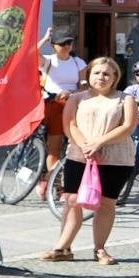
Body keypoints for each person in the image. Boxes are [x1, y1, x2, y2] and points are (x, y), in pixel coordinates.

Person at [39, 56, 137, 266]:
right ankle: (62, 247)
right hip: (79, 155)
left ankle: (100, 248)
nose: (101, 77)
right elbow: (70, 125)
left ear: (114, 78)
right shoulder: (77, 98)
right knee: (72, 201)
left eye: (106, 74)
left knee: (106, 203)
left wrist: (99, 143)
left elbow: (128, 126)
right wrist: (85, 145)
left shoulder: (125, 99)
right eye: (97, 73)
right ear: (89, 75)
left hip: (115, 158)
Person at [38, 28, 88, 197]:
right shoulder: (49, 61)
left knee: (76, 145)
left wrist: (72, 93)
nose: (67, 46)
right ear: (54, 46)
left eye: (70, 43)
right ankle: (56, 184)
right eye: (63, 43)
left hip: (74, 103)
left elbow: (84, 86)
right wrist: (45, 38)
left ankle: (53, 178)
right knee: (55, 147)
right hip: (54, 104)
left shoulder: (77, 62)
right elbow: (30, 54)